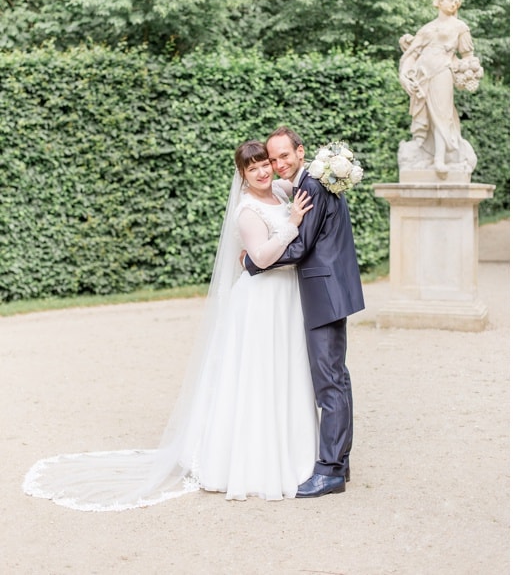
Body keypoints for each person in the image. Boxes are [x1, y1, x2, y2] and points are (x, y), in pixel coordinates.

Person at [23, 140, 318, 509]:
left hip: (286, 298)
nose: (262, 171)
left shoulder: (279, 188)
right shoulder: (247, 211)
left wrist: (331, 168)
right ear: (242, 176)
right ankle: (252, 461)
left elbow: (307, 179)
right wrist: (291, 226)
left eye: (265, 164)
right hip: (261, 300)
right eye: (253, 168)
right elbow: (258, 257)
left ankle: (293, 451)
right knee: (258, 375)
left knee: (284, 371)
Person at [244, 126, 365, 497]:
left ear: (300, 151)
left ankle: (328, 470)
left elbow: (298, 249)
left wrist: (252, 263)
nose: (278, 164)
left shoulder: (312, 185)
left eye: (284, 156)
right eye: (273, 157)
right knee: (336, 379)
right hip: (332, 287)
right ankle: (338, 463)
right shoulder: (311, 181)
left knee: (329, 382)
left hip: (323, 291)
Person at [397, 0, 480, 175]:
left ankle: (439, 158)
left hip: (443, 71)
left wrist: (467, 71)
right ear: (440, 2)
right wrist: (405, 76)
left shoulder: (460, 27)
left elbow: (468, 57)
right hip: (422, 75)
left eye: (457, 2)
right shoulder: (427, 29)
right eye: (451, 0)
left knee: (442, 115)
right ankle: (423, 153)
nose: (454, 4)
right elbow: (411, 54)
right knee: (423, 115)